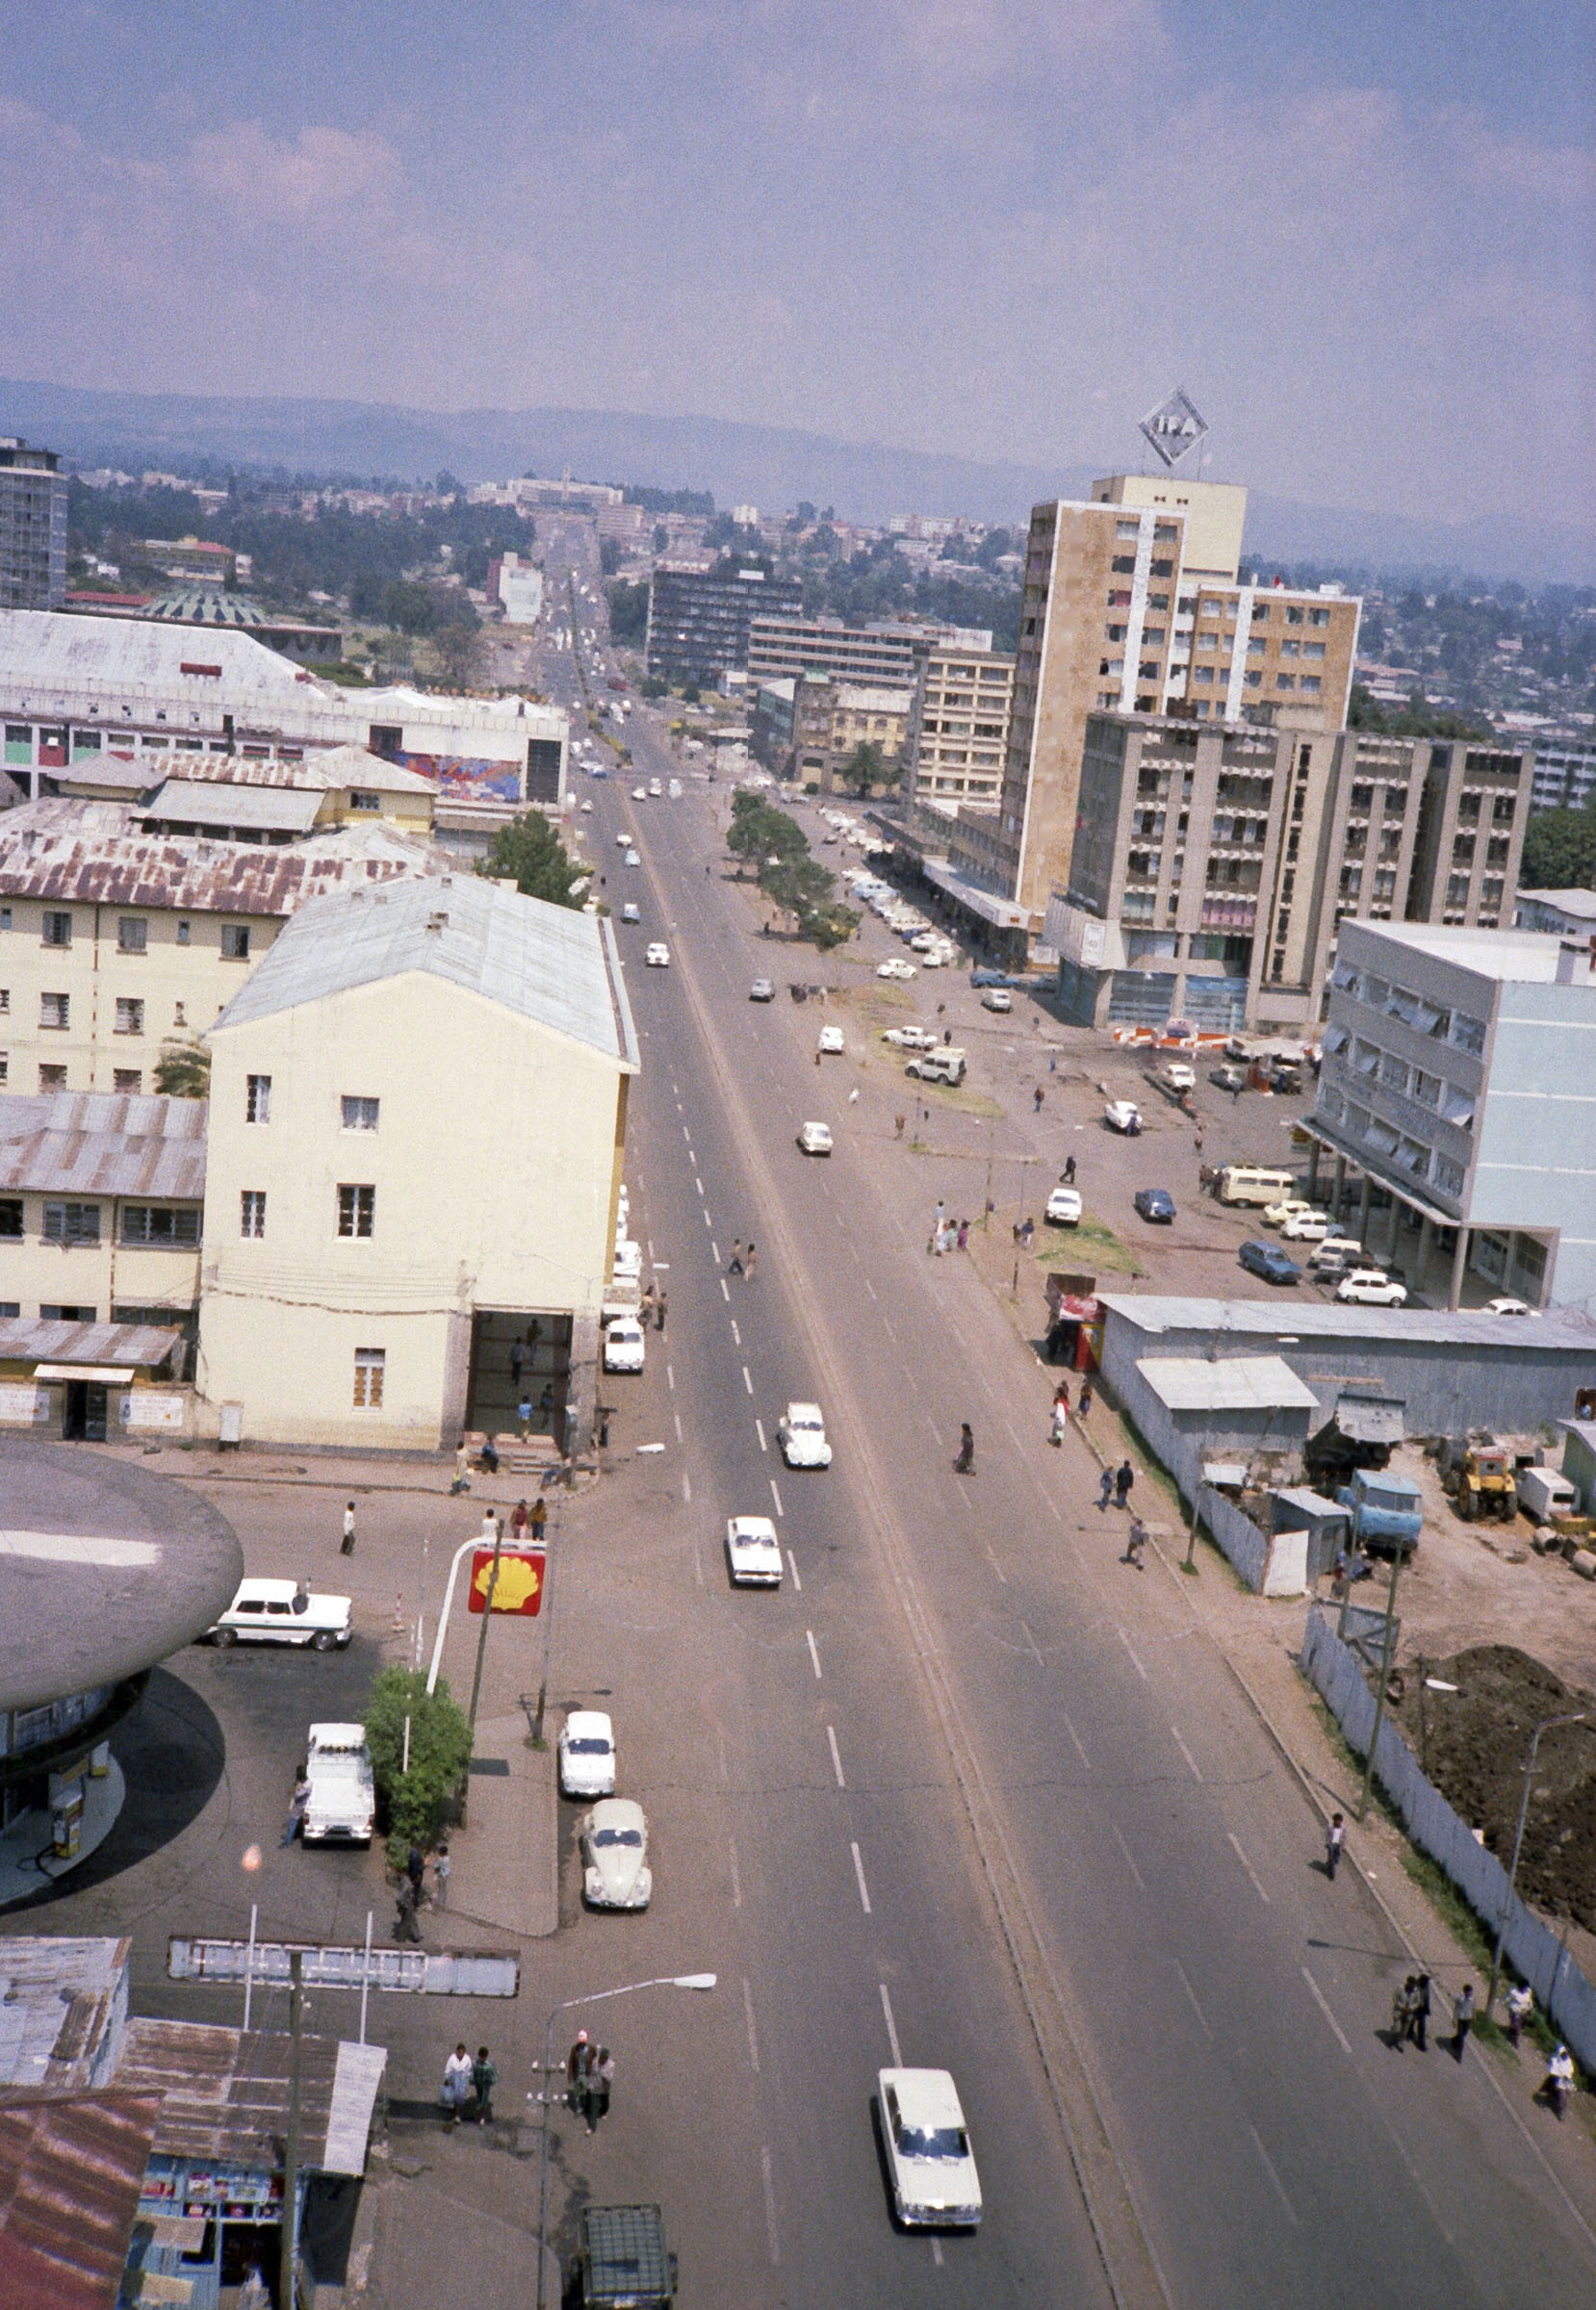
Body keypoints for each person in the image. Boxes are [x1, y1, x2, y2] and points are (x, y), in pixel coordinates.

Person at [586, 2045, 615, 2133]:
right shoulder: (595, 2061)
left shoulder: (611, 2065)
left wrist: (603, 2074)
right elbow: (591, 2071)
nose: (602, 2059)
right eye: (601, 2057)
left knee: (605, 2103)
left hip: (604, 2089)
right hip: (594, 2087)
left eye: (604, 2058)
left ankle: (603, 2112)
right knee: (593, 2108)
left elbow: (610, 2078)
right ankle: (592, 2127)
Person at [442, 2043, 473, 2125]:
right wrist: (446, 2079)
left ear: (464, 2052)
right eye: (459, 2052)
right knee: (453, 2096)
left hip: (462, 2081)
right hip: (453, 2079)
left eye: (461, 2052)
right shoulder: (452, 2058)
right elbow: (448, 2069)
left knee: (460, 2097)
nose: (460, 2054)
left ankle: (458, 2115)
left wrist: (467, 2079)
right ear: (457, 2051)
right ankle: (454, 2111)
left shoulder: (467, 2059)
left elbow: (469, 2070)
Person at [1545, 2043, 1576, 2118]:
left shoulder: (1568, 2062)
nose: (1565, 2055)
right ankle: (1551, 2100)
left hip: (1564, 2081)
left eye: (1566, 2054)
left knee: (1564, 2093)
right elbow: (1552, 2068)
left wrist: (1567, 2079)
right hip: (1556, 2078)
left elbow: (1569, 2072)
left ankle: (1560, 2109)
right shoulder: (1556, 2058)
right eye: (1564, 2053)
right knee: (1557, 2089)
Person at [281, 1770, 311, 1847]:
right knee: (292, 1823)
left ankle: (288, 1841)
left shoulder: (305, 1789)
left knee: (292, 1824)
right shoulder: (306, 1786)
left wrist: (295, 1792)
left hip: (298, 1809)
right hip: (298, 1808)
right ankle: (289, 1837)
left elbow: (298, 1797)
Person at [472, 2045, 499, 2124]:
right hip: (478, 2083)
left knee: (484, 2099)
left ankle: (482, 2117)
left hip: (486, 2084)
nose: (483, 2059)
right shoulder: (475, 2063)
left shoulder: (489, 2065)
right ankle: (479, 2114)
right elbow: (472, 2073)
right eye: (481, 2057)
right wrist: (472, 2080)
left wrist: (493, 2081)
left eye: (484, 2057)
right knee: (480, 2098)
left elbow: (494, 2075)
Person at [566, 2030, 592, 2112]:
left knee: (584, 2092)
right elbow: (571, 2062)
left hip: (586, 2074)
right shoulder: (574, 2049)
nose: (582, 2044)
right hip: (577, 2074)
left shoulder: (590, 2049)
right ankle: (579, 2107)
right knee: (577, 2092)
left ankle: (584, 2106)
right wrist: (570, 2076)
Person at [1451, 1980, 1476, 2062]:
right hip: (1461, 2019)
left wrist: (1474, 2017)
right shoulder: (1460, 1999)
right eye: (1468, 1993)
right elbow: (1456, 2009)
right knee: (1461, 2039)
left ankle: (1454, 2040)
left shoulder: (1472, 1999)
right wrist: (1454, 2019)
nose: (1470, 1994)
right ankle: (1459, 2055)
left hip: (1468, 2020)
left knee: (1464, 2034)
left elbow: (1473, 2008)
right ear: (1465, 1992)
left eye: (1471, 1992)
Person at [395, 1873, 423, 1944]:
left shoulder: (405, 1881)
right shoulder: (407, 1884)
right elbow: (399, 1897)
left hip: (409, 1905)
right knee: (405, 1923)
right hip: (407, 1907)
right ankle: (400, 1939)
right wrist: (403, 1905)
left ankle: (417, 1936)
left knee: (413, 1920)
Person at [1505, 1982, 1533, 2047]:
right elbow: (1507, 1998)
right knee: (1517, 2026)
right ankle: (1515, 2040)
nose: (1525, 1990)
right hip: (1514, 2011)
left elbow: (1529, 2001)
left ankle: (1511, 2031)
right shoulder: (1515, 1992)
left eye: (1526, 1988)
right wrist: (1504, 2001)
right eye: (1524, 1988)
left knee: (1520, 2025)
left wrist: (1530, 2008)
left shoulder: (1528, 1993)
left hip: (1523, 2012)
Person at [1392, 1977, 1416, 2048]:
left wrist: (1411, 2008)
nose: (1412, 1986)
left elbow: (1417, 2002)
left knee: (1405, 2029)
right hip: (1399, 2011)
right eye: (1411, 1984)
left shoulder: (1415, 1992)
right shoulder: (1400, 1988)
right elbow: (1395, 1999)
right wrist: (1402, 2007)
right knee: (1396, 2027)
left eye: (1414, 1985)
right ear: (1407, 1982)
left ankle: (1400, 2042)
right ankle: (1394, 2039)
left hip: (1409, 2013)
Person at [1410, 1971, 1431, 2051]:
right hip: (1414, 2007)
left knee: (1422, 2026)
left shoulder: (1426, 1986)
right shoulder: (1415, 1987)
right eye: (1426, 1982)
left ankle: (1421, 2043)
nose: (1427, 1984)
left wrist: (1427, 2008)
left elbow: (1427, 1997)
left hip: (1422, 2008)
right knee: (1411, 2020)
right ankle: (1409, 2032)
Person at [1325, 1812, 1346, 1882]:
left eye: (1339, 1820)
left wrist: (1344, 1846)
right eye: (1336, 1820)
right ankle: (1331, 1875)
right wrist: (1327, 1843)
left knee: (1336, 1859)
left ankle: (1328, 1864)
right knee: (1332, 1860)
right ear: (1334, 1820)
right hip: (1331, 1844)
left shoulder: (1343, 1828)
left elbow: (1344, 1837)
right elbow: (1327, 1835)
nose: (1338, 1822)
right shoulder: (1330, 1826)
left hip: (1338, 1845)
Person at [432, 1843, 451, 1911]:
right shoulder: (447, 1858)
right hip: (446, 1875)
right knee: (443, 1889)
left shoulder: (441, 1860)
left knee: (440, 1889)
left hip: (441, 1876)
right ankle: (442, 1902)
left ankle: (439, 1903)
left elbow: (437, 1867)